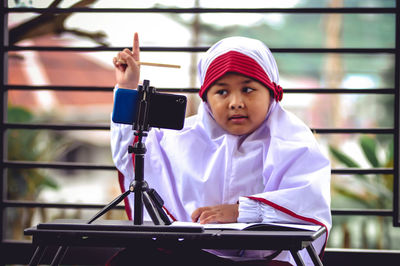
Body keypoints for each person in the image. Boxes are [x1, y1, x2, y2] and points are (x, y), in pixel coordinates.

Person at [109, 33, 331, 265]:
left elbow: (307, 203)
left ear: (272, 93)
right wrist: (127, 87)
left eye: (248, 89)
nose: (236, 102)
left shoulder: (294, 143)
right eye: (222, 92)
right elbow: (131, 155)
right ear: (206, 100)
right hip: (192, 256)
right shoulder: (182, 139)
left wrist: (241, 211)